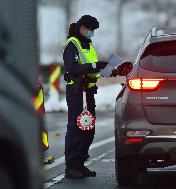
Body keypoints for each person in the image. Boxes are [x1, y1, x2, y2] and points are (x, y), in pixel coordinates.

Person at [63, 15, 108, 179]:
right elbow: (73, 68)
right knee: (77, 128)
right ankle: (71, 166)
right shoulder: (72, 44)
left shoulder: (88, 44)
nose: (91, 33)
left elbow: (91, 67)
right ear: (82, 27)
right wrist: (96, 66)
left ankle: (80, 164)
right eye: (90, 29)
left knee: (89, 128)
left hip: (88, 92)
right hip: (77, 92)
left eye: (93, 30)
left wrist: (109, 69)